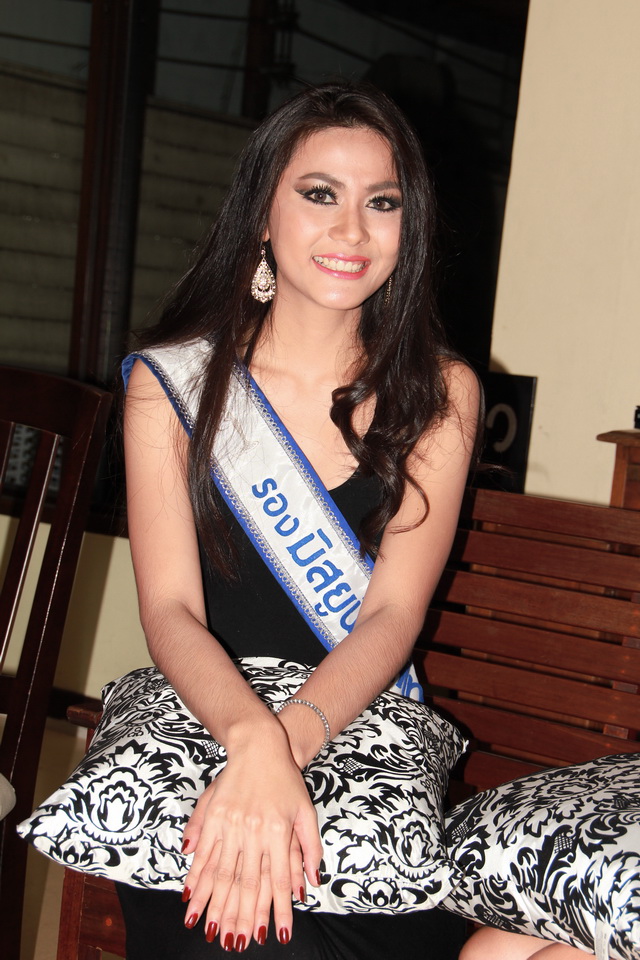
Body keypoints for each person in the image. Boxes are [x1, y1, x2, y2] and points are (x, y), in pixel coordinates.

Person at [117, 79, 476, 960]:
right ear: (262, 217)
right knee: (235, 925)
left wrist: (289, 743)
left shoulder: (441, 394)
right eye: (320, 193)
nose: (352, 229)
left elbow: (393, 613)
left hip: (361, 746)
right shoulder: (172, 386)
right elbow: (170, 610)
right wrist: (251, 744)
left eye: (382, 202)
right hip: (205, 734)